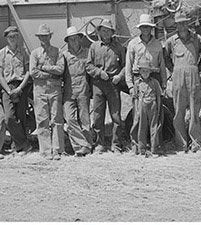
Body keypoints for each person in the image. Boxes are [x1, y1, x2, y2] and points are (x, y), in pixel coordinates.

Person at [124, 13, 166, 156]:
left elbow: (162, 64)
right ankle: (137, 146)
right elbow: (128, 65)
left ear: (151, 28)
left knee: (156, 116)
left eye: (148, 27)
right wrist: (130, 85)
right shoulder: (133, 44)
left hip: (154, 79)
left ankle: (155, 146)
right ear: (140, 28)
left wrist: (164, 84)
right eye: (143, 27)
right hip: (138, 80)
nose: (146, 29)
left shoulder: (157, 44)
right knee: (138, 117)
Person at [165, 9, 201, 153]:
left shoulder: (197, 38)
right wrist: (174, 70)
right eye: (179, 24)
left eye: (184, 23)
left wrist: (196, 69)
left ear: (188, 23)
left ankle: (196, 143)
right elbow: (166, 58)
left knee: (195, 110)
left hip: (193, 75)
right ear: (176, 25)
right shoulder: (171, 41)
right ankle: (181, 144)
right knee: (179, 110)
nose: (181, 26)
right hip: (178, 76)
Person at [87, 17, 128, 152]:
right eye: (103, 30)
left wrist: (119, 76)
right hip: (98, 84)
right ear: (99, 32)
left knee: (115, 115)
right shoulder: (94, 47)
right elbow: (88, 66)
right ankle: (100, 144)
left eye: (108, 31)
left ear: (112, 33)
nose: (105, 33)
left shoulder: (119, 47)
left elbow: (125, 66)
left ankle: (116, 144)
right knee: (98, 115)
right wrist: (99, 72)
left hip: (113, 84)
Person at [29, 24, 66, 159]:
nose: (44, 38)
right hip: (40, 90)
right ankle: (45, 150)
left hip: (54, 89)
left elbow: (61, 69)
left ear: (50, 36)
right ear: (39, 38)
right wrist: (50, 73)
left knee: (56, 119)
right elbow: (33, 72)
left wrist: (44, 67)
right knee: (42, 119)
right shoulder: (35, 53)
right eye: (41, 36)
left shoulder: (58, 51)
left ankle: (57, 150)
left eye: (46, 36)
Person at [0, 25, 33, 154]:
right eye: (10, 37)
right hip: (7, 87)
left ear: (18, 37)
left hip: (21, 85)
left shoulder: (23, 52)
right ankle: (24, 143)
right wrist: (9, 91)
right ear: (6, 38)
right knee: (9, 117)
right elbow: (0, 75)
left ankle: (17, 145)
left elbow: (28, 72)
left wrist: (20, 87)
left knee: (21, 116)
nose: (13, 39)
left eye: (15, 36)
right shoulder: (2, 53)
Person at [60, 25, 94, 156]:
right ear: (67, 41)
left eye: (76, 39)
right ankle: (83, 144)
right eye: (71, 39)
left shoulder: (87, 52)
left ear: (80, 39)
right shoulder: (64, 55)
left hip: (83, 90)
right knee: (70, 119)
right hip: (69, 91)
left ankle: (83, 147)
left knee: (85, 119)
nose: (74, 41)